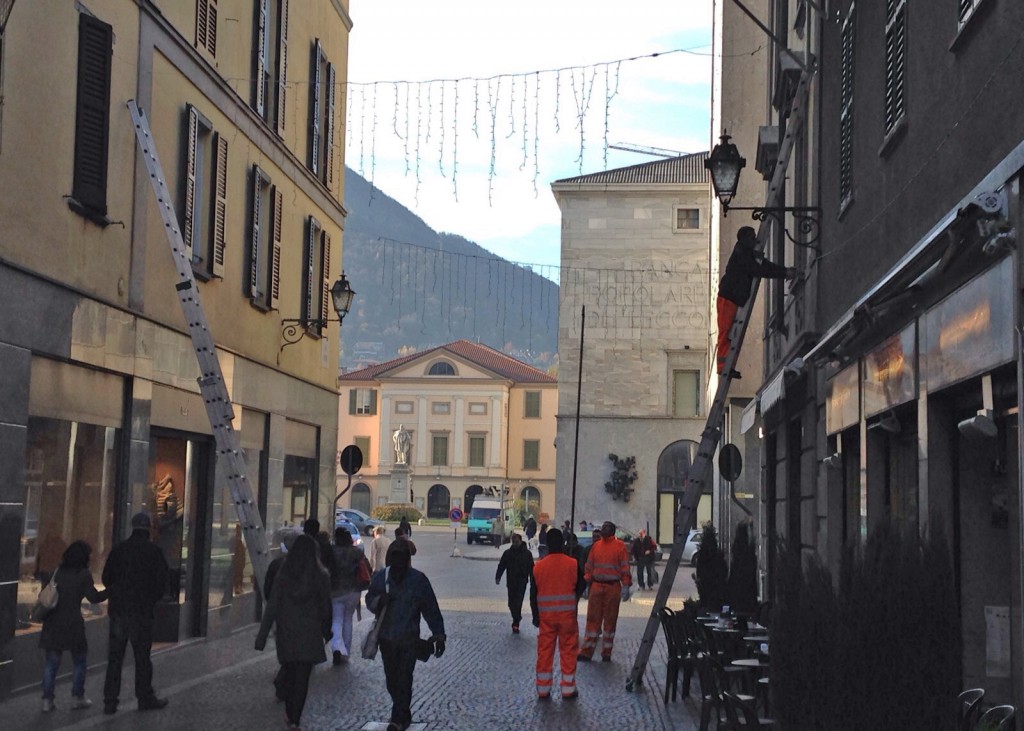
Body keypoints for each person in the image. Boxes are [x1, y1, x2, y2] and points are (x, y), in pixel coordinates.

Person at [365, 539, 446, 731]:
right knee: (392, 679)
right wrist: (379, 601)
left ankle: (398, 718)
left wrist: (439, 634)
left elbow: (430, 608)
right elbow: (369, 600)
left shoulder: (418, 580)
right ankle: (403, 712)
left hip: (408, 639)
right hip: (386, 639)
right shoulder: (381, 578)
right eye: (395, 557)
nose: (398, 562)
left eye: (401, 557)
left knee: (404, 678)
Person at [255, 534, 332, 730]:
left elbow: (272, 606)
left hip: (287, 633)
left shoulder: (284, 575)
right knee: (302, 678)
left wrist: (262, 636)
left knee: (290, 672)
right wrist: (327, 629)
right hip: (310, 634)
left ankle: (290, 713)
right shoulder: (321, 576)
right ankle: (295, 718)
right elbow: (326, 607)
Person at [101, 512, 170, 715]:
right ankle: (144, 697)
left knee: (115, 657)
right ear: (148, 528)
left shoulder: (119, 550)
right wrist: (151, 599)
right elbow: (162, 582)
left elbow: (106, 578)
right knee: (142, 657)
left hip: (119, 610)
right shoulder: (154, 552)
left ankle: (110, 701)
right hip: (142, 611)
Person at [716, 225, 796, 378]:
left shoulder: (746, 253)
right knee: (726, 332)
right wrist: (784, 273)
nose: (755, 240)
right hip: (728, 298)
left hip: (733, 297)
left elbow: (764, 266)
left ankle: (728, 366)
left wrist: (784, 271)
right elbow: (759, 270)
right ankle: (723, 367)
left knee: (731, 334)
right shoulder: (742, 253)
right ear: (745, 238)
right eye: (752, 237)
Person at [38, 540, 108, 712]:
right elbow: (93, 598)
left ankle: (47, 700)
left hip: (52, 623)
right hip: (73, 623)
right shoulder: (83, 575)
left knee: (51, 663)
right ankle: (77, 697)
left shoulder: (57, 572)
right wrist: (110, 591)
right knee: (79, 660)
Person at [529, 529, 585, 700]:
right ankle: (568, 688)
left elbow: (533, 594)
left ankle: (543, 689)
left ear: (547, 544)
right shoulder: (572, 564)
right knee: (568, 651)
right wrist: (574, 597)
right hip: (567, 616)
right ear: (562, 543)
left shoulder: (538, 566)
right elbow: (582, 584)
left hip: (546, 618)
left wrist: (535, 616)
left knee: (545, 652)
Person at [578, 521, 632, 663]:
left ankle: (606, 652)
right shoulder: (597, 546)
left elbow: (625, 567)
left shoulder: (619, 546)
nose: (604, 529)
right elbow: (589, 566)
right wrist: (587, 580)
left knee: (610, 621)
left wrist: (626, 585)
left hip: (611, 587)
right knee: (593, 620)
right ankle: (587, 652)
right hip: (598, 586)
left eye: (607, 528)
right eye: (604, 527)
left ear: (612, 531)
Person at [330, 527, 364, 664]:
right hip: (353, 590)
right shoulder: (357, 552)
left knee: (337, 620)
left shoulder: (331, 552)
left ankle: (337, 648)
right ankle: (347, 651)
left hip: (336, 591)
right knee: (348, 620)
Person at [495, 533, 534, 633]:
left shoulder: (527, 554)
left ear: (520, 541)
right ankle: (517, 617)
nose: (515, 544)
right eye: (513, 542)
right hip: (511, 581)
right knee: (511, 603)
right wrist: (498, 577)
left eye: (516, 542)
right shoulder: (508, 553)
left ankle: (515, 623)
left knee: (518, 602)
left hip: (522, 581)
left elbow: (531, 568)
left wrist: (533, 580)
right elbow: (502, 565)